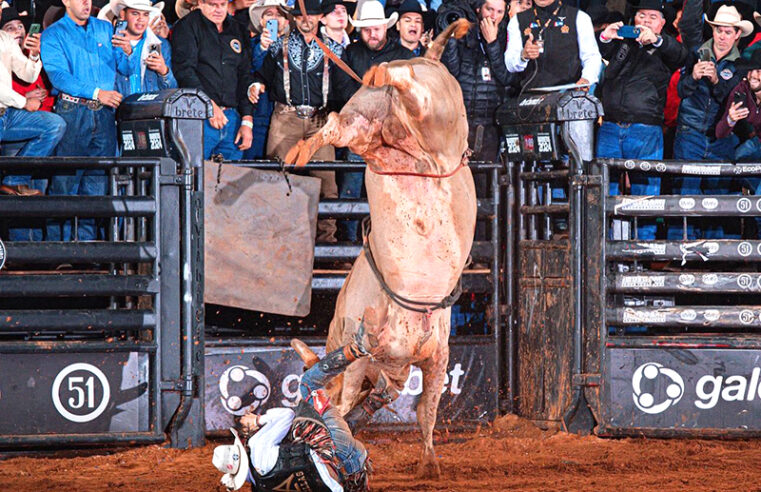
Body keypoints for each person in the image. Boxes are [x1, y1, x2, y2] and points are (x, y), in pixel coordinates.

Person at [212, 332, 376, 492]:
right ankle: (358, 348)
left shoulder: (261, 487)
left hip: (353, 473)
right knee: (308, 384)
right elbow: (287, 416)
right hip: (338, 451)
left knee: (332, 435)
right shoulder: (258, 447)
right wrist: (258, 420)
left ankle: (378, 399)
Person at [250, 0, 343, 242]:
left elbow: (344, 88)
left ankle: (326, 244)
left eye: (311, 14)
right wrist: (256, 84)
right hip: (285, 116)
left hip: (320, 119)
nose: (306, 19)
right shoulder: (277, 47)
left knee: (326, 184)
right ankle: (279, 241)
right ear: (294, 18)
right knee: (278, 178)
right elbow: (262, 75)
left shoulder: (335, 49)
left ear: (320, 17)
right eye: (301, 15)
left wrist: (337, 114)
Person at [596, 0, 687, 240]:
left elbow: (682, 56)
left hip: (645, 129)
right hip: (610, 127)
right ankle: (605, 254)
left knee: (645, 196)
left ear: (662, 23)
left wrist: (656, 40)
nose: (645, 21)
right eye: (641, 15)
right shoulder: (622, 43)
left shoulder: (666, 47)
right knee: (603, 192)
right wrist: (606, 36)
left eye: (652, 17)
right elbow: (596, 51)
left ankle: (643, 254)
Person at [41, 0, 132, 240]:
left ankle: (85, 247)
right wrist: (97, 93)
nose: (86, 2)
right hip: (74, 110)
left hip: (103, 113)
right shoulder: (53, 34)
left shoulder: (104, 28)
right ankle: (56, 250)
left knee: (96, 183)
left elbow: (125, 67)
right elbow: (58, 76)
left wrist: (127, 52)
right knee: (65, 181)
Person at [332, 0, 414, 242]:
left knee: (394, 194)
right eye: (366, 30)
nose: (372, 34)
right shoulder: (350, 54)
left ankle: (394, 243)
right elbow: (341, 94)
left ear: (385, 27)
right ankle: (349, 244)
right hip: (360, 137)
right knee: (352, 189)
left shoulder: (404, 57)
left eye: (376, 28)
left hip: (393, 140)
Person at [672, 4, 751, 239]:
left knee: (720, 197)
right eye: (719, 31)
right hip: (690, 131)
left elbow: (733, 100)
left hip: (722, 136)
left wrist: (717, 81)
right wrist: (694, 76)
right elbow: (681, 90)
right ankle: (681, 253)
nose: (723, 37)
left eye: (728, 32)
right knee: (685, 194)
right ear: (713, 31)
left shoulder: (741, 65)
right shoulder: (695, 53)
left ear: (737, 35)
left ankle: (719, 255)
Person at [172, 0, 254, 160]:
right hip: (197, 118)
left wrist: (247, 120)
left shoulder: (238, 29)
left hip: (232, 119)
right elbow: (185, 72)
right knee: (195, 177)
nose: (218, 10)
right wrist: (207, 105)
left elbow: (244, 75)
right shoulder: (186, 27)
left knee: (230, 180)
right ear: (200, 3)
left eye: (222, 4)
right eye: (212, 4)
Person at [0, 9, 66, 201]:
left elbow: (27, 74)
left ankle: (14, 179)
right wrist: (24, 101)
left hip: (6, 115)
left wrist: (35, 55)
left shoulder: (5, 40)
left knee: (55, 125)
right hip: (11, 110)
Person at [441, 0, 512, 163]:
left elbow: (507, 78)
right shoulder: (466, 32)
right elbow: (451, 73)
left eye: (499, 12)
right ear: (479, 9)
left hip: (490, 124)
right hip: (459, 120)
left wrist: (492, 43)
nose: (493, 16)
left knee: (485, 182)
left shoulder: (508, 36)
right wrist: (451, 40)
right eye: (489, 9)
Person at [504, 0, 601, 91]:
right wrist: (523, 56)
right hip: (531, 96)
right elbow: (510, 65)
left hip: (568, 95)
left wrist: (586, 79)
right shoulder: (517, 21)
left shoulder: (579, 18)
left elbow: (591, 56)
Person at [243, 0, 289, 159]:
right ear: (262, 21)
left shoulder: (295, 46)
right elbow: (247, 72)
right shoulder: (248, 45)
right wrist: (262, 48)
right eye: (269, 14)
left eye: (280, 15)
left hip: (287, 118)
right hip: (259, 114)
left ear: (287, 21)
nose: (275, 18)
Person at [110, 0, 177, 98]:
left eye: (145, 14)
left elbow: (171, 92)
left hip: (149, 110)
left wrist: (163, 71)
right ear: (123, 14)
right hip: (118, 110)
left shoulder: (161, 45)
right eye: (135, 13)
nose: (141, 19)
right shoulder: (110, 43)